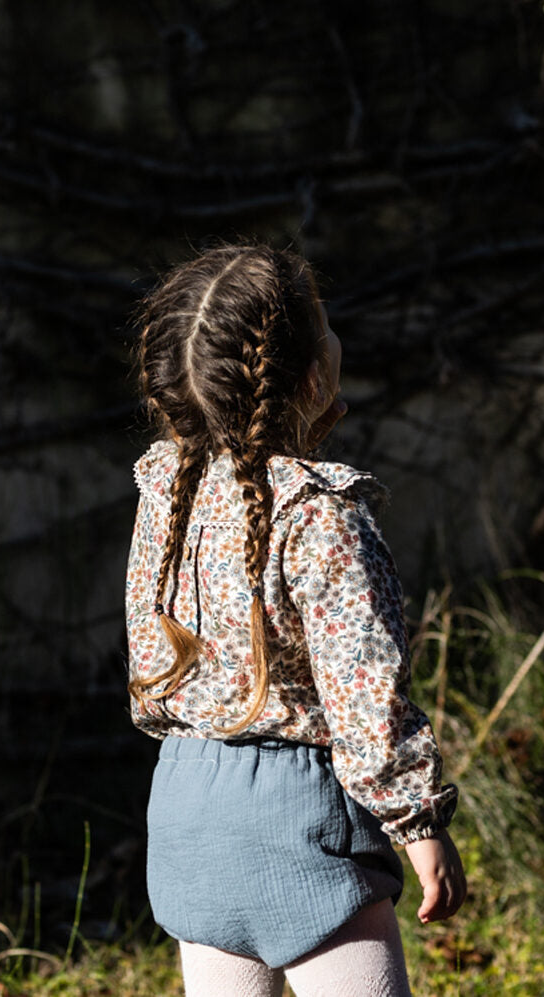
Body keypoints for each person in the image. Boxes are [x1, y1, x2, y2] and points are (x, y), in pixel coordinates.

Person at [125, 244, 466, 997]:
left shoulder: (164, 494)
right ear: (312, 373)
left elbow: (149, 662)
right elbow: (363, 691)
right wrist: (418, 822)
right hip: (301, 821)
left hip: (186, 807)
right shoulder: (322, 515)